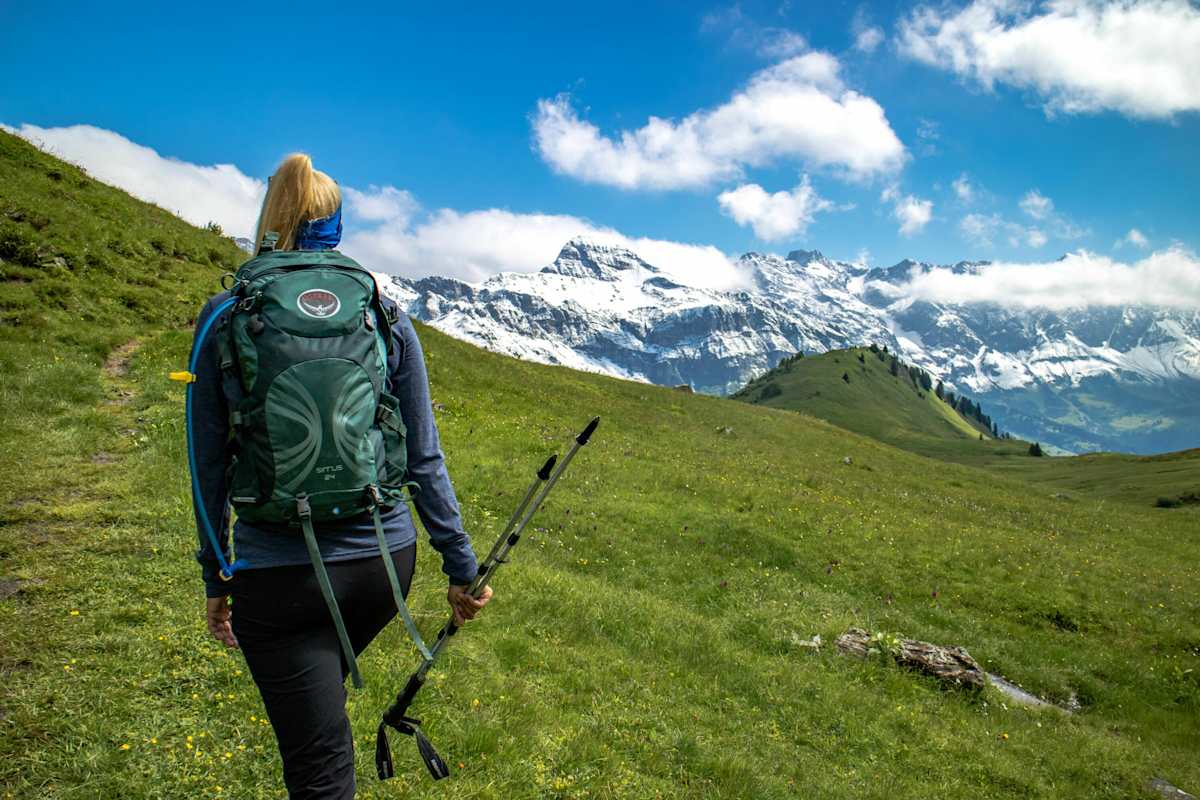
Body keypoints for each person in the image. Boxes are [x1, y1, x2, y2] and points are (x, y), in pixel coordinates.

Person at [189, 153, 492, 798]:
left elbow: (208, 466)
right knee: (321, 707)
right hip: (384, 564)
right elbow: (422, 455)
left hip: (279, 572)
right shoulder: (382, 313)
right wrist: (462, 567)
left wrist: (217, 577)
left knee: (317, 759)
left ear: (272, 220)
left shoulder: (225, 313)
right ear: (336, 226)